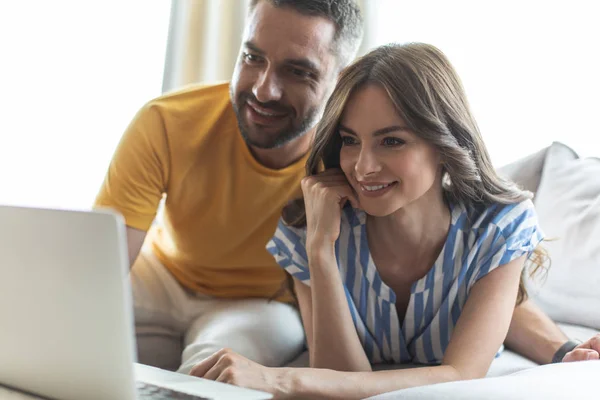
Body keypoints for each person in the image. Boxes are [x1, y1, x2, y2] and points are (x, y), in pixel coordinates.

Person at [95, 0, 598, 377]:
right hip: (167, 273)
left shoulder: (367, 174)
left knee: (214, 367)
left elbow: (476, 286)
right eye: (252, 57)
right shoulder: (173, 123)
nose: (265, 89)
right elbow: (102, 263)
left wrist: (559, 350)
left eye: (297, 70)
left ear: (338, 81)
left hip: (260, 304)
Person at [188, 43, 600, 399]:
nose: (363, 167)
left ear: (443, 142)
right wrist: (320, 251)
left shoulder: (500, 228)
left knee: (505, 306)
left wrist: (282, 379)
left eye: (392, 140)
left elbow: (459, 374)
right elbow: (340, 380)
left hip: (487, 280)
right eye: (350, 141)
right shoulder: (308, 226)